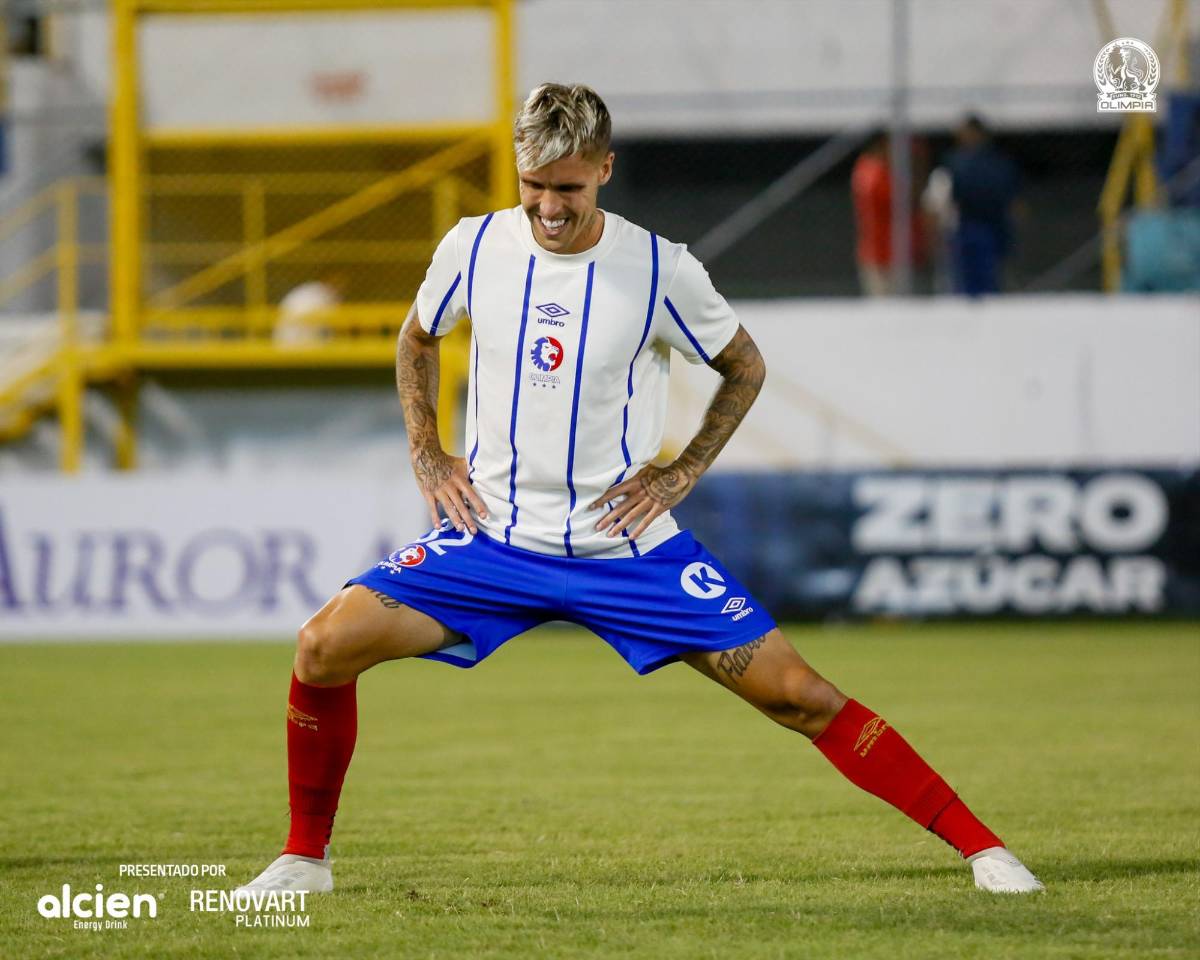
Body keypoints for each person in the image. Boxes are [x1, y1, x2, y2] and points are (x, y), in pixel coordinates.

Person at [237, 83, 1043, 896]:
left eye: (568, 187)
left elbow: (745, 366)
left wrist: (678, 472)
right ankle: (305, 859)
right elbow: (417, 337)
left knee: (801, 696)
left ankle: (984, 851)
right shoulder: (472, 247)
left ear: (606, 170)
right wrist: (427, 453)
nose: (548, 207)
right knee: (322, 646)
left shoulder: (661, 269)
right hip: (490, 541)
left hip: (624, 550)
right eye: (533, 185)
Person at [944, 115, 1022, 296]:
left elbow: (1013, 198)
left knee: (990, 281)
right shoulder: (954, 162)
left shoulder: (998, 162)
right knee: (964, 282)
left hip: (992, 226)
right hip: (965, 226)